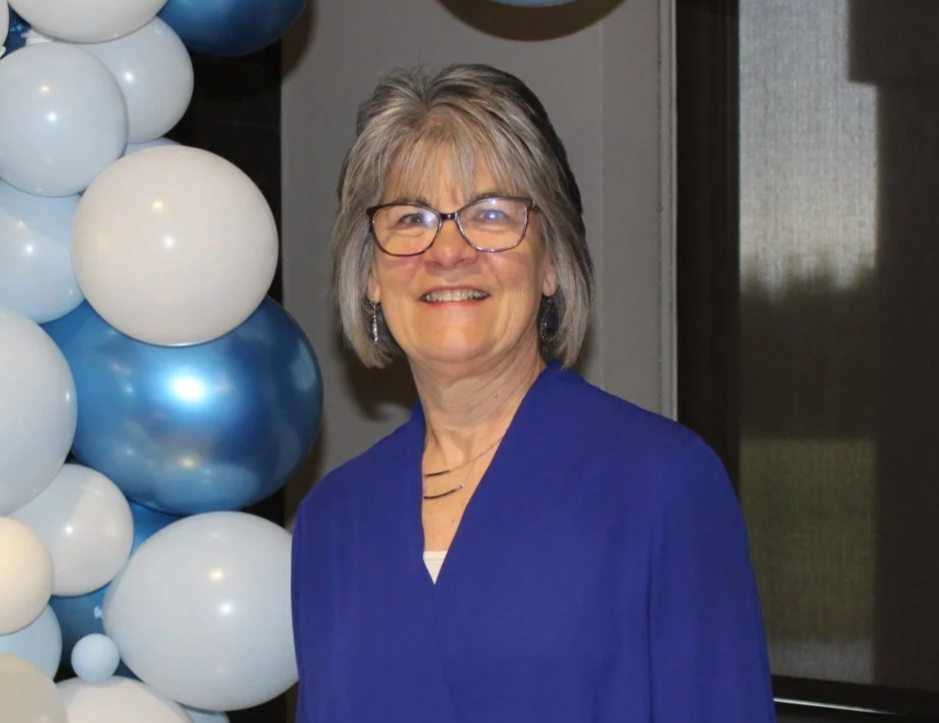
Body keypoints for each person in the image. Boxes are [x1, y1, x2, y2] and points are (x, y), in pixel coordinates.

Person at [291, 63, 775, 723]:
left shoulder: (662, 485)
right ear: (370, 275)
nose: (448, 251)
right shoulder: (332, 519)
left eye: (491, 214)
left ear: (551, 263)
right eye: (411, 217)